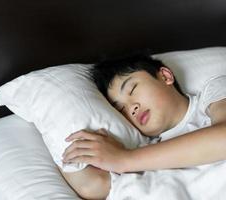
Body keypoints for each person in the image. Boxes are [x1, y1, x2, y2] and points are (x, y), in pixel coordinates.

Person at [59, 53, 226, 200]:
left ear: (165, 76)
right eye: (121, 110)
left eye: (132, 89)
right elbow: (93, 186)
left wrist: (124, 159)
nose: (132, 108)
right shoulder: (142, 151)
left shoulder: (213, 93)